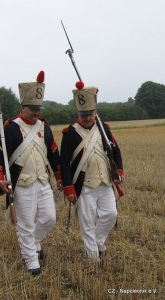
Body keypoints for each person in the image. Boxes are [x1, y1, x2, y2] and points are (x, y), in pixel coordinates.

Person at [0, 71, 62, 276]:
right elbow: (0, 158)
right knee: (24, 225)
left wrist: (59, 177)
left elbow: (53, 154)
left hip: (42, 182)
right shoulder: (10, 128)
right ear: (23, 106)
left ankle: (33, 242)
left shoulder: (45, 127)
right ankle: (32, 261)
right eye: (33, 109)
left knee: (49, 218)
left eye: (39, 109)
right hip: (21, 185)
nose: (37, 113)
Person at [60, 82, 124, 264]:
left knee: (111, 215)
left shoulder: (103, 128)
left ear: (95, 112)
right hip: (84, 185)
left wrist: (119, 170)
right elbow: (64, 161)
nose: (87, 118)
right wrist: (69, 187)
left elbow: (116, 151)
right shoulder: (70, 133)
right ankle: (92, 257)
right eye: (83, 114)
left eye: (90, 114)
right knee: (87, 224)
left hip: (105, 182)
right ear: (78, 114)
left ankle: (98, 241)